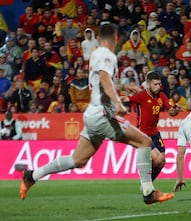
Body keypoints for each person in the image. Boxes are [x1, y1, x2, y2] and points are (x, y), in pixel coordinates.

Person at [19, 24, 174, 205]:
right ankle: (148, 191)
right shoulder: (106, 55)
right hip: (103, 115)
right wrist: (117, 102)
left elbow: (102, 82)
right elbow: (104, 78)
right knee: (145, 142)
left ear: (99, 38)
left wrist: (123, 88)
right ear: (116, 39)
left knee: (78, 159)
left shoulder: (95, 54)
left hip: (92, 114)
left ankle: (32, 175)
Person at [122, 71, 178, 182]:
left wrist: (175, 110)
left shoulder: (161, 96)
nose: (158, 87)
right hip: (143, 134)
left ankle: (148, 184)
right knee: (157, 159)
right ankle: (146, 183)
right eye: (155, 84)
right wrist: (112, 101)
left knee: (162, 162)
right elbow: (125, 99)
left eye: (159, 84)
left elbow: (172, 113)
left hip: (155, 133)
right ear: (148, 85)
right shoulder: (142, 96)